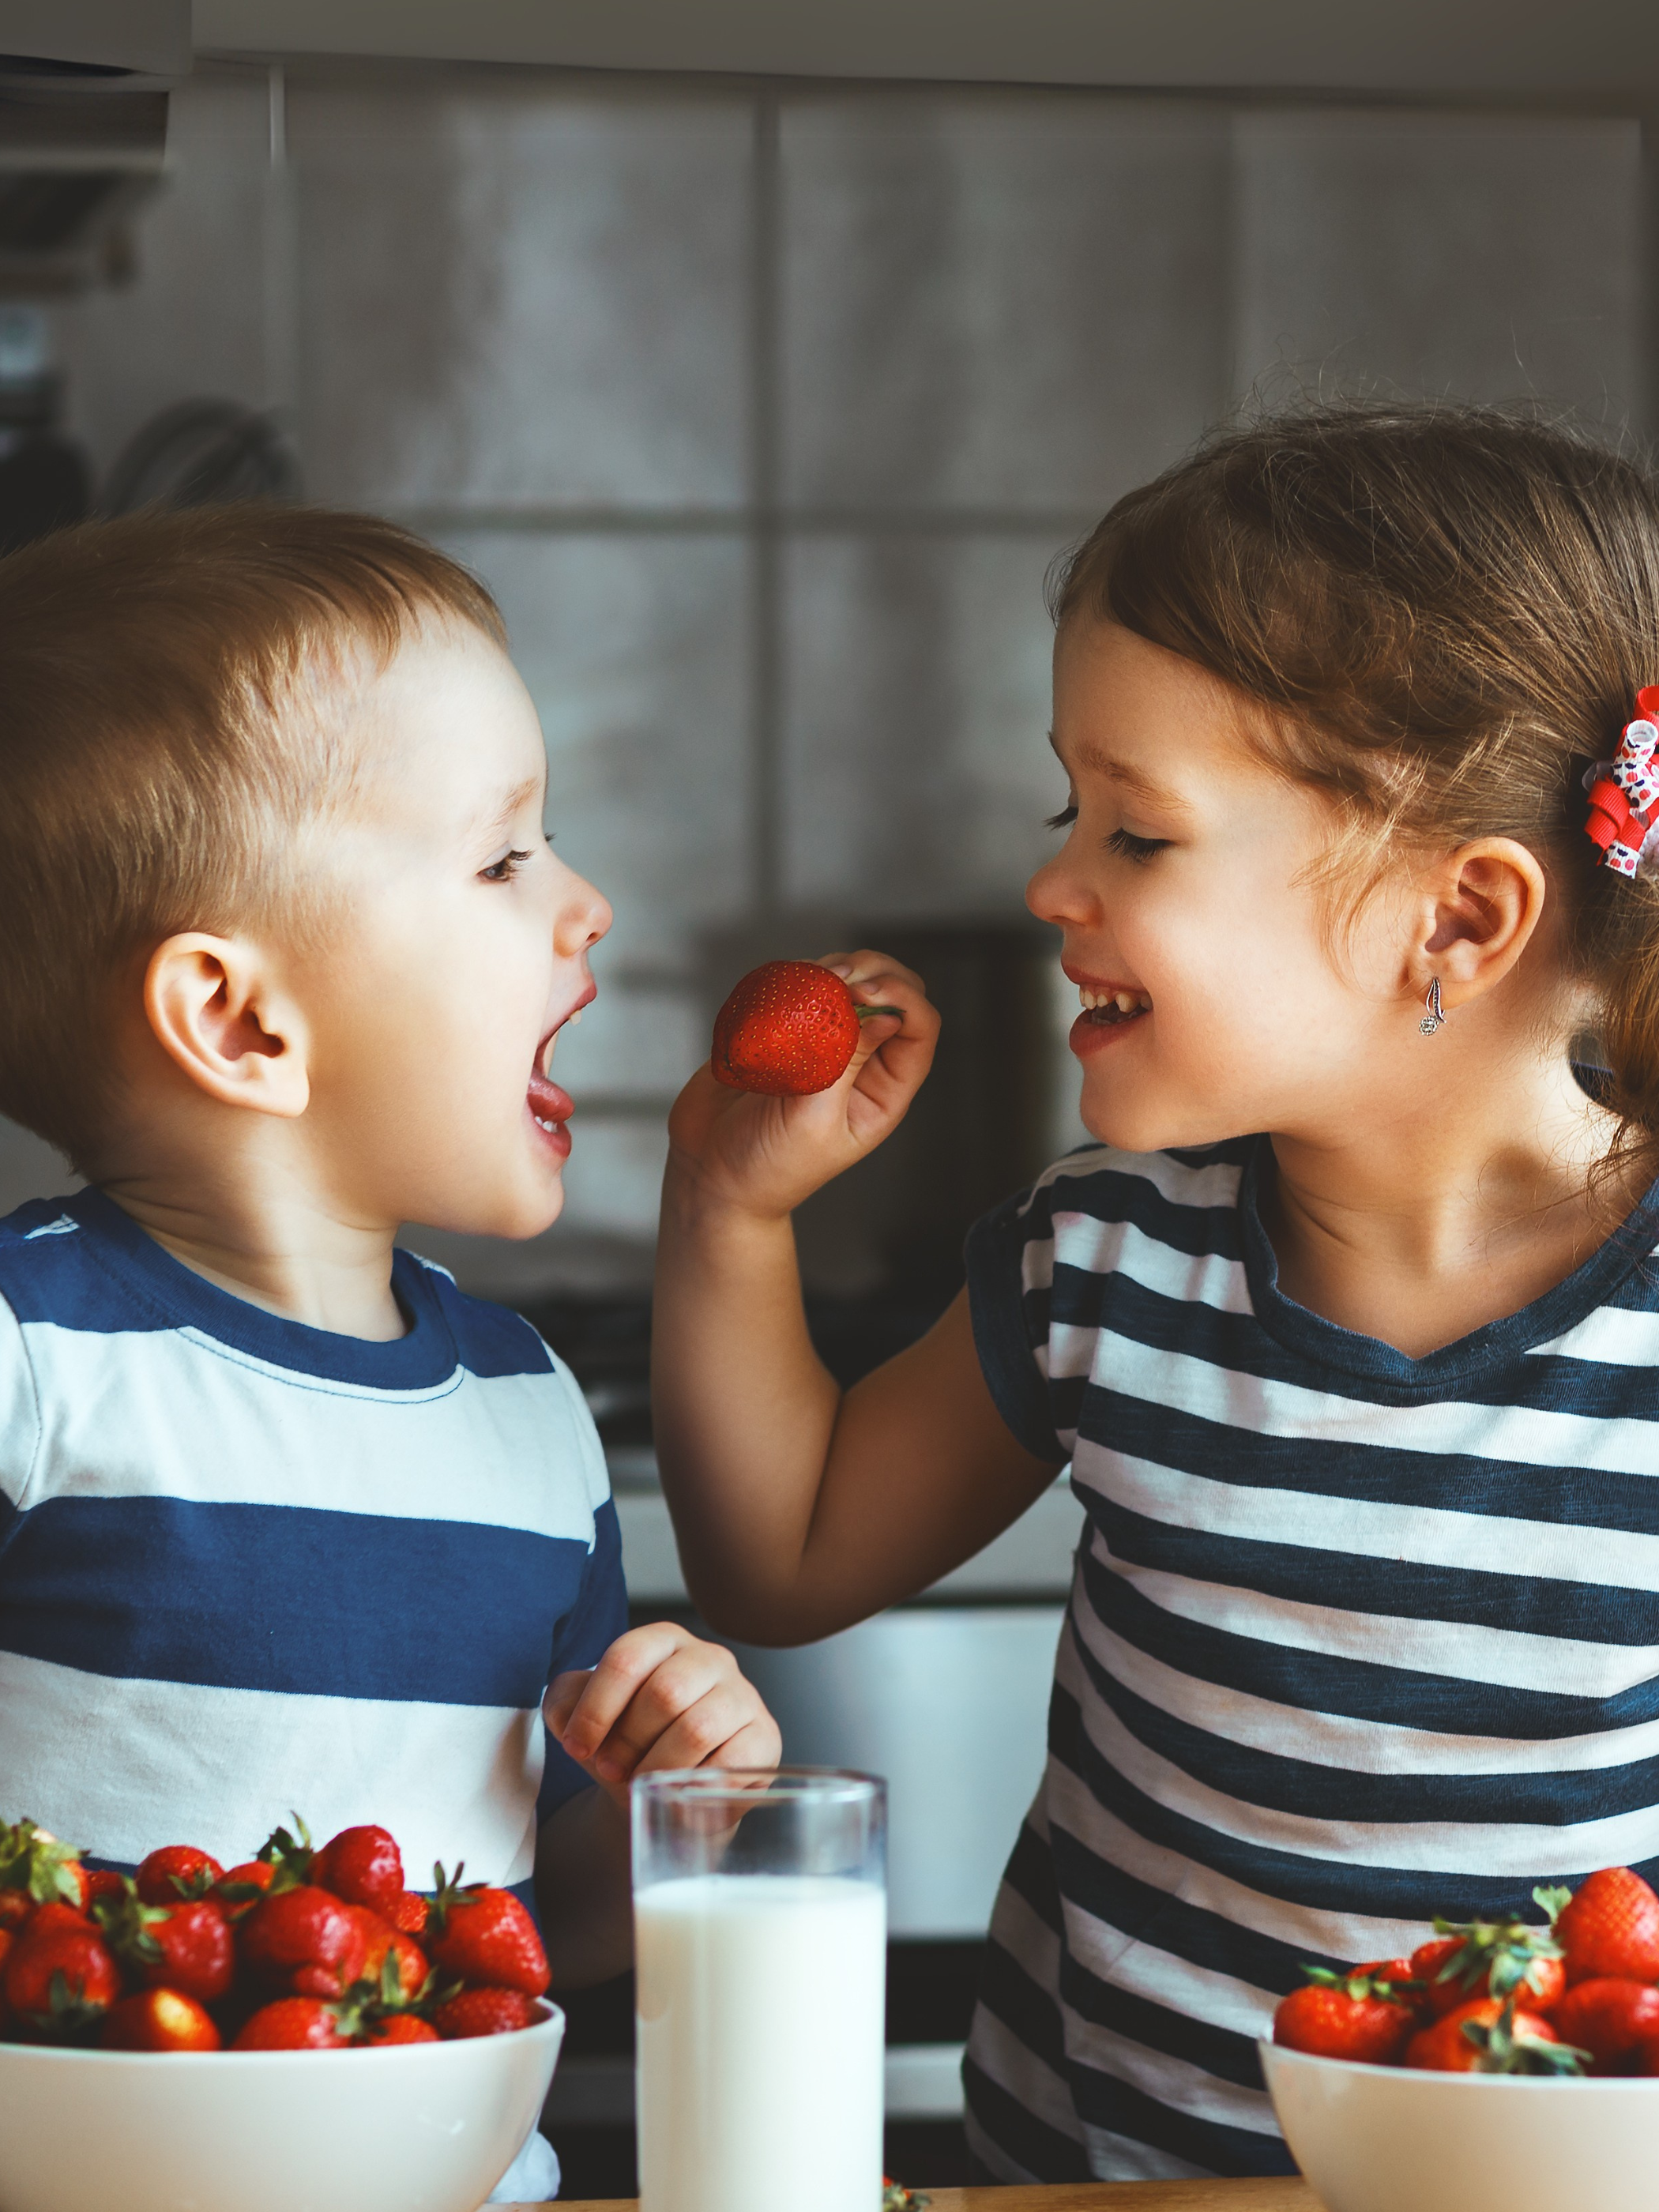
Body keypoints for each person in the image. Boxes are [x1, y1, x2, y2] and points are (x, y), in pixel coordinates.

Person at [650, 401, 1659, 2183]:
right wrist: (731, 1212)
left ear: (1462, 916)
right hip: (1094, 2174)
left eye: (1143, 833)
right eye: (1072, 806)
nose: (1054, 882)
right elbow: (781, 1556)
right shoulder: (1106, 1257)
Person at [0, 506, 778, 2199]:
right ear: (242, 1021)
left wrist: (670, 1822)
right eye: (505, 859)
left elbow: (526, 1927)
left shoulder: (525, 1415)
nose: (588, 904)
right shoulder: (30, 1358)